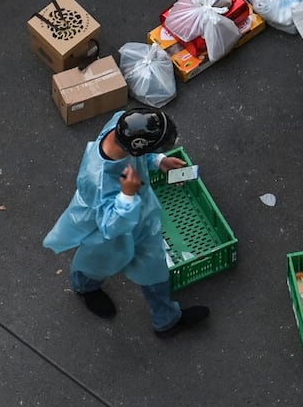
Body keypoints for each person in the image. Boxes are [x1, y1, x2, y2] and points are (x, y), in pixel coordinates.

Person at [43, 106, 209, 338]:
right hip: (108, 226)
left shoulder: (121, 126)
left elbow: (141, 155)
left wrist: (159, 161)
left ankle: (166, 319)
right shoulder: (98, 180)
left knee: (153, 269)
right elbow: (111, 226)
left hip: (141, 217)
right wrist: (127, 195)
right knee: (98, 258)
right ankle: (85, 287)